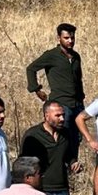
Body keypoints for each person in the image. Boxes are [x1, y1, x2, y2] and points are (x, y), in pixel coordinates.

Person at [26, 23, 85, 155]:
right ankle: (61, 164)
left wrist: (81, 98)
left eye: (72, 38)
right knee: (63, 135)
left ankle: (73, 164)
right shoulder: (51, 55)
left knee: (77, 137)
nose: (70, 41)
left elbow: (78, 78)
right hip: (62, 103)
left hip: (77, 103)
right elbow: (31, 68)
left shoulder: (76, 57)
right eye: (66, 38)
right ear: (59, 38)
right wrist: (36, 89)